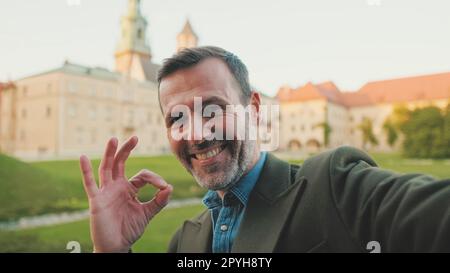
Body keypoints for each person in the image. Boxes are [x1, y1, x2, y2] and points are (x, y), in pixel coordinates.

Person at [79, 46, 450, 253]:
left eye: (213, 109)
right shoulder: (185, 241)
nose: (197, 133)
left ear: (253, 109)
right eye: (177, 118)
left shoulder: (334, 187)